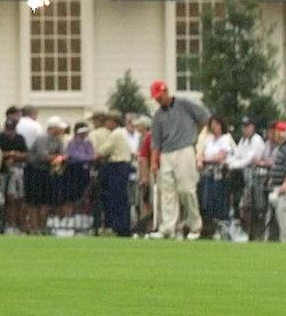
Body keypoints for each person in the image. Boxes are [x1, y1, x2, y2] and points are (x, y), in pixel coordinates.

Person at [147, 80, 207, 240]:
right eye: (156, 97)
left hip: (185, 150)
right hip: (166, 154)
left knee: (187, 190)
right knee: (167, 192)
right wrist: (154, 162)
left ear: (166, 91)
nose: (158, 100)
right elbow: (156, 142)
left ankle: (195, 226)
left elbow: (204, 117)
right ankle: (168, 227)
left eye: (159, 96)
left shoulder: (184, 104)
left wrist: (193, 135)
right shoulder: (158, 116)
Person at [93, 112, 134, 237]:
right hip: (123, 166)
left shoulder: (115, 134)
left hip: (117, 166)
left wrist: (94, 156)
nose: (105, 124)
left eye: (107, 121)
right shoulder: (122, 133)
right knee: (121, 197)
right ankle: (122, 226)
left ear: (113, 122)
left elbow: (103, 151)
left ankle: (120, 226)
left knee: (117, 198)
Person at [25, 118, 67, 234]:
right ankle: (34, 228)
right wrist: (57, 158)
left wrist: (56, 158)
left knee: (46, 202)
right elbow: (43, 156)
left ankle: (43, 227)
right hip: (35, 171)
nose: (62, 130)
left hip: (48, 172)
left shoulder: (58, 140)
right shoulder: (42, 138)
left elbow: (63, 155)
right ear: (53, 128)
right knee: (34, 201)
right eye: (60, 128)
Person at [197, 115, 234, 238]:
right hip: (208, 174)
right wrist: (202, 159)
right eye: (212, 124)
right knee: (207, 201)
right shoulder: (209, 139)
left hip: (220, 174)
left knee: (220, 201)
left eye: (216, 124)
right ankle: (213, 226)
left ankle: (223, 227)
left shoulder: (225, 138)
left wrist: (206, 159)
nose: (214, 127)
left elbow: (220, 157)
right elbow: (201, 153)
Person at [0, 115, 29, 233]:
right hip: (2, 172)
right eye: (8, 129)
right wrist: (9, 154)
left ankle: (14, 223)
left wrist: (16, 155)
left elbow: (26, 154)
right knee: (3, 199)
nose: (10, 131)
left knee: (16, 199)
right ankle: (3, 223)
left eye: (12, 129)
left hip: (17, 172)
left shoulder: (20, 138)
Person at [60, 122, 96, 228]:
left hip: (85, 172)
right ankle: (69, 219)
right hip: (73, 171)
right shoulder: (72, 143)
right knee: (71, 196)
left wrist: (88, 158)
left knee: (83, 195)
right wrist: (87, 158)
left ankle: (80, 220)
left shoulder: (88, 143)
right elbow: (74, 155)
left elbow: (92, 155)